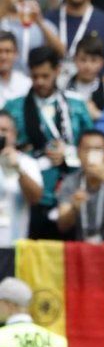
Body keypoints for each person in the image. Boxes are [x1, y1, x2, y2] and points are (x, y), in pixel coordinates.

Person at [7, 45, 94, 238]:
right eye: (35, 76)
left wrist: (68, 153)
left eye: (45, 76)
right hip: (30, 194)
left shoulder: (76, 104)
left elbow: (91, 146)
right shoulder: (14, 107)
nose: (40, 82)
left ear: (57, 70)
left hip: (69, 192)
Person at [55, 128, 104, 243]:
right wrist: (74, 208)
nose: (92, 154)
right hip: (83, 249)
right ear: (78, 153)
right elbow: (62, 226)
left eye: (98, 149)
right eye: (87, 149)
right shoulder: (70, 181)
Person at [0, 109, 42, 244]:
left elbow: (35, 198)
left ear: (14, 134)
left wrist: (18, 169)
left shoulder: (27, 163)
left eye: (4, 130)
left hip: (15, 244)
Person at [0, 31, 29, 104]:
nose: (3, 57)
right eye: (0, 51)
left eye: (8, 51)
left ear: (16, 54)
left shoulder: (26, 84)